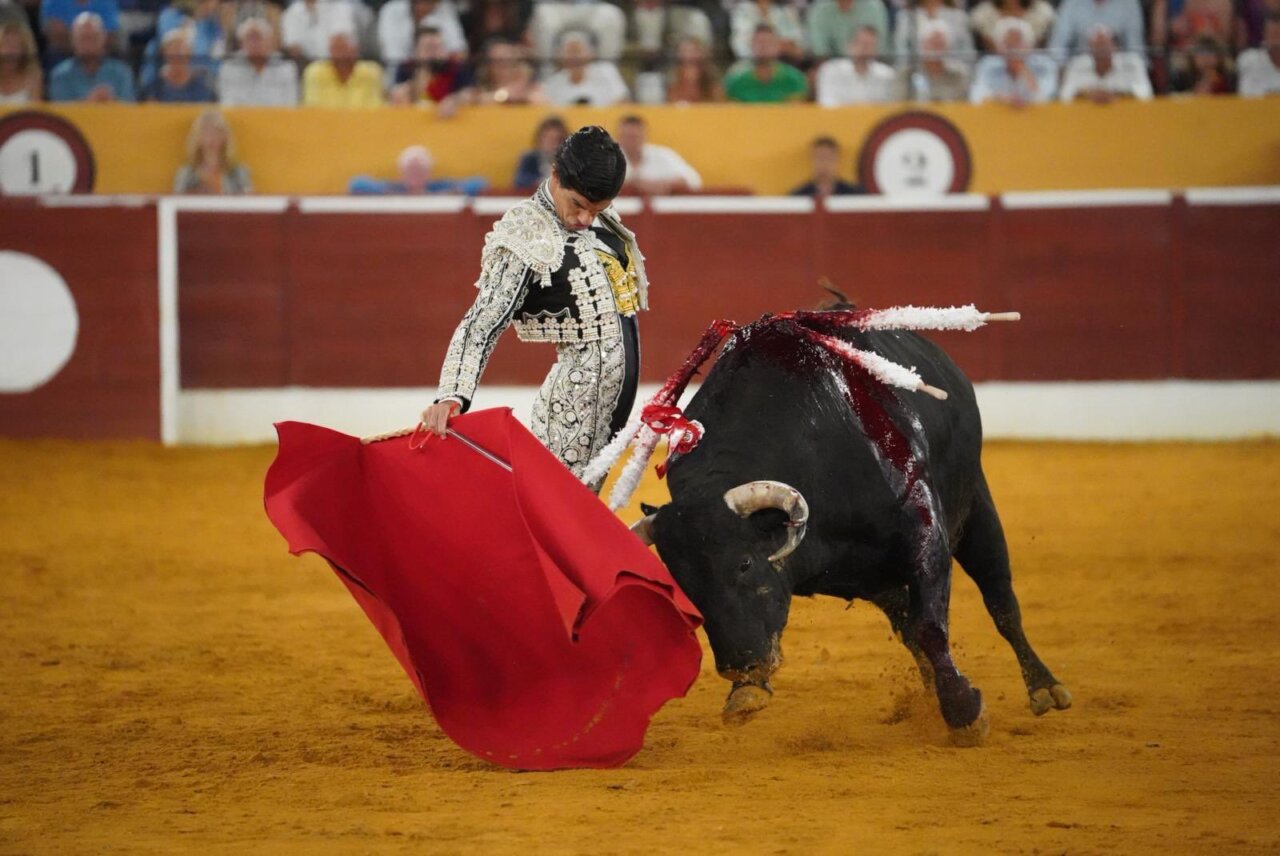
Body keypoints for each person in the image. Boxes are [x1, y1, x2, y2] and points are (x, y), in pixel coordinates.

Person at [421, 126, 648, 488]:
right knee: (558, 510)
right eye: (578, 205)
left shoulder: (598, 216)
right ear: (555, 175)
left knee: (572, 510)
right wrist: (451, 395)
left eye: (598, 209)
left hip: (609, 410)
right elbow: (481, 322)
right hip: (572, 409)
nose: (586, 219)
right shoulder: (525, 234)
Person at [969, 16, 1058, 104]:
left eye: (1018, 42)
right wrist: (999, 98)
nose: (1013, 49)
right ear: (999, 47)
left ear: (1029, 45)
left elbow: (1048, 97)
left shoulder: (1044, 64)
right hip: (997, 111)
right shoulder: (988, 64)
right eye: (1008, 44)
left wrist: (1023, 71)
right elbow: (976, 97)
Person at [47, 11, 134, 101]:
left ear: (103, 39)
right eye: (83, 38)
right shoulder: (61, 76)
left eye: (93, 38)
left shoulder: (122, 73)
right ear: (73, 41)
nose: (89, 44)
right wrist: (89, 102)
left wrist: (112, 101)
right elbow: (60, 107)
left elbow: (130, 106)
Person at [1059, 23, 1153, 100]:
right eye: (1096, 45)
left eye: (1104, 45)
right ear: (1089, 48)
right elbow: (1064, 97)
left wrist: (1117, 94)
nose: (1101, 50)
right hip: (1086, 115)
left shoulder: (1132, 63)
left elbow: (1146, 94)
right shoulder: (1077, 65)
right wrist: (1087, 95)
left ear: (1115, 46)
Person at [218, 16, 298, 106]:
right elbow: (227, 104)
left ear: (269, 41)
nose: (254, 43)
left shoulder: (286, 68)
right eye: (249, 38)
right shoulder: (229, 69)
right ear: (241, 43)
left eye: (258, 38)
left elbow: (291, 105)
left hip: (277, 115)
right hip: (240, 114)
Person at [389, 25, 473, 111]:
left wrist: (455, 100)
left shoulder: (456, 68)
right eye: (428, 48)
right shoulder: (406, 69)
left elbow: (469, 93)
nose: (434, 53)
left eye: (438, 47)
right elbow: (395, 94)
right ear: (416, 50)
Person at [349, 145, 488, 195]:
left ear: (428, 172)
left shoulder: (438, 187)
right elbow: (357, 183)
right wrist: (389, 194)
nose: (415, 175)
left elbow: (480, 182)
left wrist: (446, 194)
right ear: (401, 173)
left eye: (420, 170)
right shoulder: (395, 188)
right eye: (411, 170)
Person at [616, 114, 701, 195]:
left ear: (645, 136)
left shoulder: (663, 155)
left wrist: (667, 185)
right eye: (627, 136)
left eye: (635, 137)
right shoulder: (611, 158)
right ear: (619, 137)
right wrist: (632, 183)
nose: (631, 141)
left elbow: (694, 180)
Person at [173, 108, 252, 194]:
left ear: (225, 137)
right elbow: (178, 199)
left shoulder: (237, 172)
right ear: (197, 138)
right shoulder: (187, 173)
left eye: (216, 132)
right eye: (206, 133)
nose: (211, 138)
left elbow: (248, 199)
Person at [543, 29, 629, 105]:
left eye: (577, 51)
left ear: (591, 53)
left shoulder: (607, 71)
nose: (573, 57)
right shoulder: (553, 83)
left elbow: (623, 101)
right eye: (568, 52)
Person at [301, 28, 384, 107]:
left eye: (344, 49)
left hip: (363, 117)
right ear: (329, 51)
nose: (340, 55)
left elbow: (376, 108)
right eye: (336, 49)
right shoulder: (315, 72)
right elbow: (312, 108)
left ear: (355, 50)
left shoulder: (370, 73)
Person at [816, 25, 896, 105]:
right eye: (861, 43)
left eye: (871, 45)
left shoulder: (887, 74)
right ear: (849, 45)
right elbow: (827, 104)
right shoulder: (830, 70)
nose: (865, 49)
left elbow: (891, 106)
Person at [725, 24, 808, 101]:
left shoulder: (794, 79)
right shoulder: (735, 81)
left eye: (768, 42)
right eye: (758, 42)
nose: (763, 46)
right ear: (750, 45)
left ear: (778, 45)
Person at [528, 0, 626, 63]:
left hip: (590, 6)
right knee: (544, 18)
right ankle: (546, 71)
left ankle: (606, 70)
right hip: (554, 6)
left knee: (611, 15)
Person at [377, 0, 465, 69]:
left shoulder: (445, 9)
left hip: (440, 69)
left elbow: (459, 52)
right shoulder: (391, 10)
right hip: (401, 69)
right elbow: (391, 55)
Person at [897, 19, 970, 101]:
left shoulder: (958, 75)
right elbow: (897, 103)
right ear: (922, 45)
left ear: (948, 46)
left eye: (940, 44)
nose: (936, 49)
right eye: (932, 43)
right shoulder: (907, 74)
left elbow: (964, 103)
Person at [1048, 0, 1146, 60]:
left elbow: (1137, 52)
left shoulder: (1129, 3)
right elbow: (1056, 49)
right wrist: (1065, 70)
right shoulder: (1071, 3)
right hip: (1080, 69)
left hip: (1119, 70)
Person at [892, 0, 975, 69]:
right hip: (915, 77)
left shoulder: (959, 17)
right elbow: (901, 58)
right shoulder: (905, 18)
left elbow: (969, 57)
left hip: (953, 77)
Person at [142, 25, 217, 101]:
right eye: (173, 47)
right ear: (164, 53)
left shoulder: (204, 87)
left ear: (190, 52)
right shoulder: (154, 88)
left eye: (181, 47)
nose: (177, 52)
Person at [280, 0, 371, 62]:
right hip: (305, 68)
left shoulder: (340, 7)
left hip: (337, 64)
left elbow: (340, 44)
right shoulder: (290, 13)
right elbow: (294, 49)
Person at [807, 0, 890, 59]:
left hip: (869, 64)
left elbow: (878, 48)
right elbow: (819, 51)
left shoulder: (874, 6)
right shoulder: (819, 9)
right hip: (831, 67)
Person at [475, 37, 546, 104]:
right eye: (497, 61)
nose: (503, 65)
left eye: (507, 60)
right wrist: (504, 95)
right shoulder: (479, 89)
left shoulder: (529, 87)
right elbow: (478, 99)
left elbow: (540, 101)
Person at [789, 136, 865, 197]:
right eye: (819, 158)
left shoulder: (853, 195)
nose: (823, 164)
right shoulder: (798, 196)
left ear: (837, 160)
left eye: (828, 159)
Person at [39, 0, 119, 58]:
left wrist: (88, 49)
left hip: (101, 54)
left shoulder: (107, 2)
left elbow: (110, 35)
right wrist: (82, 49)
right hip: (62, 54)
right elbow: (54, 36)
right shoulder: (53, 2)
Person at [729, 0, 804, 61]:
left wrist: (769, 45)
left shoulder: (786, 10)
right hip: (751, 61)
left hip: (786, 60)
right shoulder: (743, 9)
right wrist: (773, 46)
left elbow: (797, 44)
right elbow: (740, 45)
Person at [970, 0, 1055, 50]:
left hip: (1034, 63)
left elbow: (1038, 43)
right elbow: (989, 46)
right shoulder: (982, 14)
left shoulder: (1042, 12)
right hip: (993, 64)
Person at [513, 114, 568, 191]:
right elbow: (519, 180)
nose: (553, 144)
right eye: (548, 139)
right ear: (539, 139)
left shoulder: (568, 161)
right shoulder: (530, 158)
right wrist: (540, 182)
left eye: (557, 139)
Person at [666, 35, 724, 103]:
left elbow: (719, 101)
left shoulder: (712, 79)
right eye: (685, 51)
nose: (690, 55)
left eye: (694, 51)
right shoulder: (672, 79)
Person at [0, 19, 42, 103]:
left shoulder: (34, 78)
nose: (11, 51)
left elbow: (35, 109)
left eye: (17, 46)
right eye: (7, 44)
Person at [1237, 15, 1280, 95]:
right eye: (1273, 34)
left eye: (1278, 34)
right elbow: (1246, 96)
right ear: (1264, 35)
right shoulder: (1250, 59)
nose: (1276, 40)